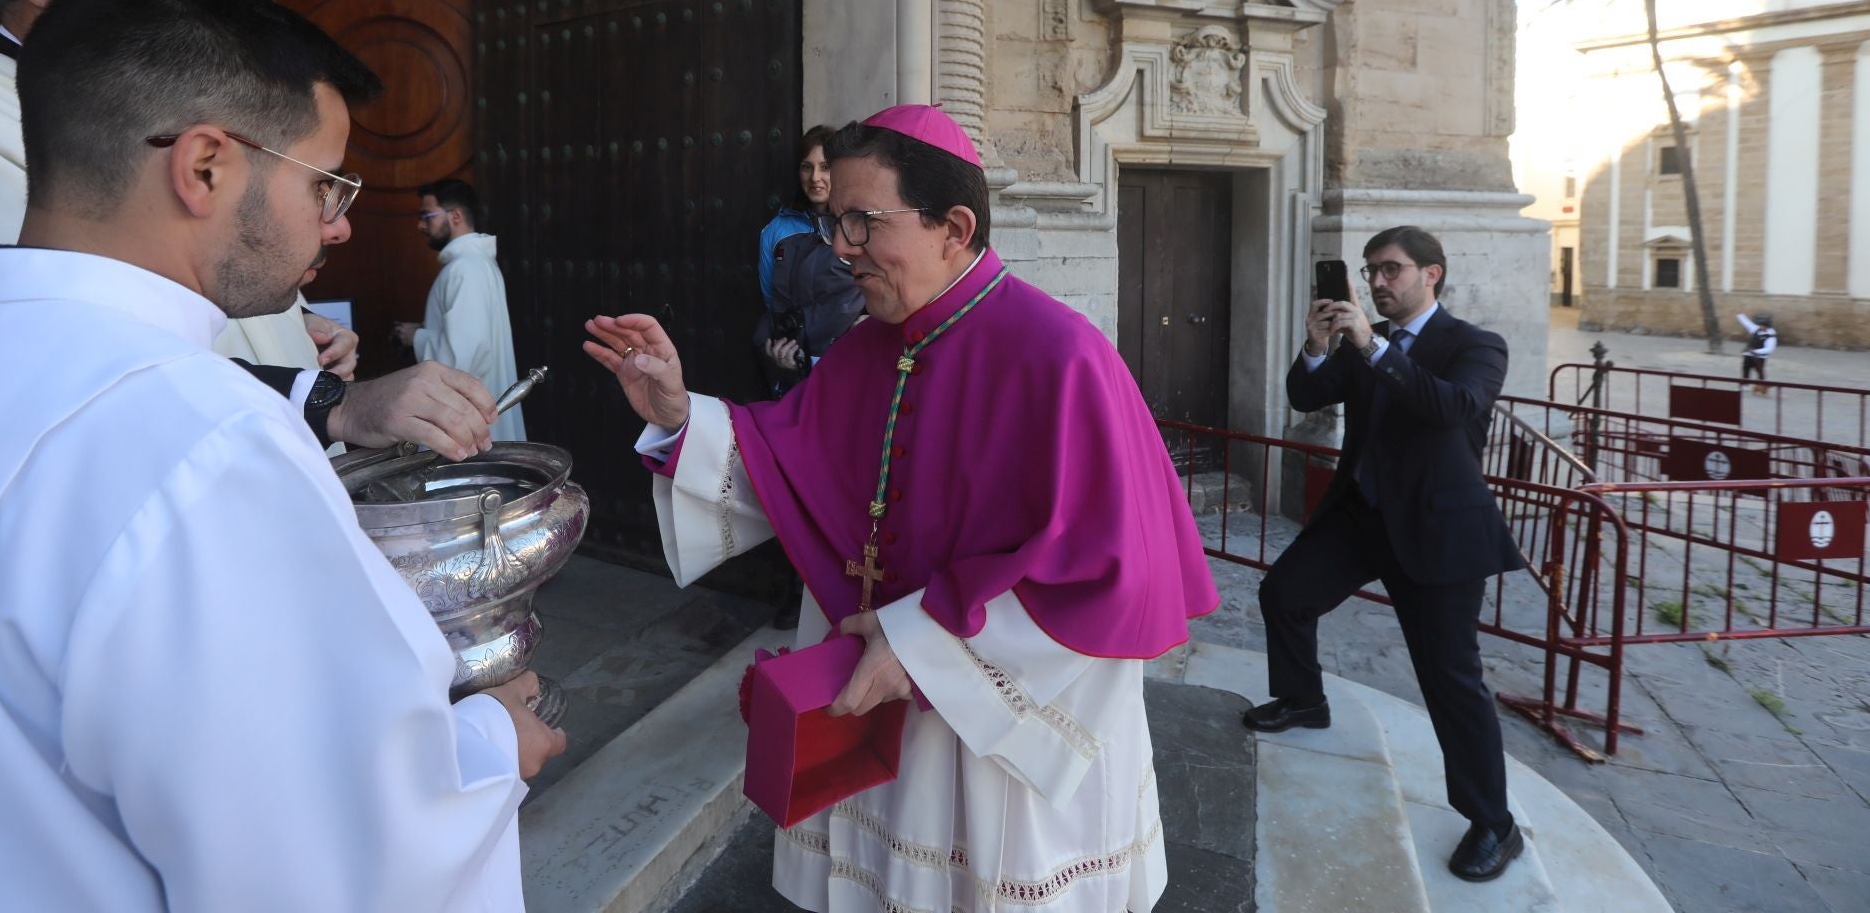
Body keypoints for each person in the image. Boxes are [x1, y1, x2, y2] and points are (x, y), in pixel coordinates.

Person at [0, 0, 564, 909]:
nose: (341, 227)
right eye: (326, 186)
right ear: (204, 167)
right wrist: (492, 746)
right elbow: (341, 865)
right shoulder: (204, 444)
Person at [584, 104, 1219, 912]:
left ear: (953, 226)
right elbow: (784, 466)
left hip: (990, 729)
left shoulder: (1061, 355)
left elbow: (1109, 578)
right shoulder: (864, 346)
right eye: (832, 220)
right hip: (875, 710)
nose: (837, 247)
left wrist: (918, 647)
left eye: (859, 221)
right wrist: (678, 413)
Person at [0, 0, 497, 461]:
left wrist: (288, 327)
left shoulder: (175, 119)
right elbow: (42, 352)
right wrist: (324, 400)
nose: (213, 27)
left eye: (224, 2)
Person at [1246, 226, 1526, 883]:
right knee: (1283, 594)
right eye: (1371, 271)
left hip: (1437, 530)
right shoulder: (1365, 340)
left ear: (1431, 274)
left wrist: (1372, 348)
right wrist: (1317, 347)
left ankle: (1495, 822)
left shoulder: (1475, 345)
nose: (1377, 282)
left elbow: (1452, 409)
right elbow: (1305, 395)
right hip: (1362, 517)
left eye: (1391, 270)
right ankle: (1302, 699)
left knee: (1451, 680)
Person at [394, 179, 526, 441]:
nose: (421, 225)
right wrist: (423, 329)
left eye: (426, 216)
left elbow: (464, 357)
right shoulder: (473, 264)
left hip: (469, 418)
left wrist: (416, 338)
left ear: (455, 216)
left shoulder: (465, 269)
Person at [753, 124, 863, 397]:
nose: (815, 177)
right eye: (807, 167)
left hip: (849, 360)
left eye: (825, 167)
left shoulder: (861, 224)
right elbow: (771, 298)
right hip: (794, 360)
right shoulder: (775, 231)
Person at [1737, 309, 1777, 394]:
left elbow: (1770, 348)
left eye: (1762, 325)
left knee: (1759, 371)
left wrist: (1756, 351)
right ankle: (1745, 385)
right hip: (1749, 354)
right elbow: (1746, 323)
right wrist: (1739, 314)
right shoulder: (1755, 329)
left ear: (1767, 326)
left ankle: (1763, 386)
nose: (1760, 327)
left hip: (1760, 357)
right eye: (1759, 325)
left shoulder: (1771, 336)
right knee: (1746, 369)